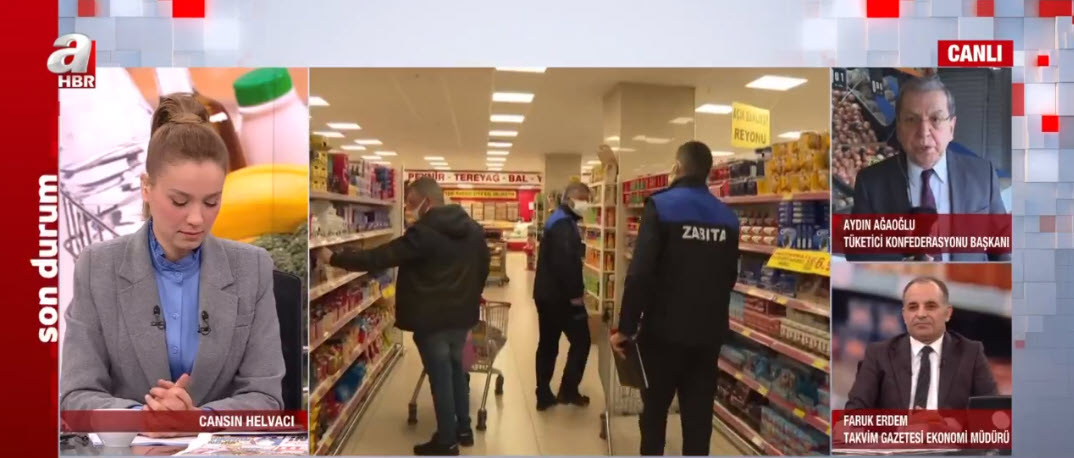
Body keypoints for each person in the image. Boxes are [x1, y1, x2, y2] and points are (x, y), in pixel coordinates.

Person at [60, 95, 285, 413]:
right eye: (179, 201)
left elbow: (266, 397)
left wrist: (200, 418)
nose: (197, 219)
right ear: (146, 188)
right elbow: (76, 396)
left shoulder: (252, 267)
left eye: (211, 202)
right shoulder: (96, 267)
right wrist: (143, 417)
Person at [315, 177, 489, 456]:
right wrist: (469, 297)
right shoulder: (473, 230)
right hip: (463, 318)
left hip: (432, 320)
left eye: (410, 203)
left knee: (440, 378)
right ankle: (464, 430)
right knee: (459, 372)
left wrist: (333, 258)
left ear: (427, 202)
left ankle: (447, 440)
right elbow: (483, 267)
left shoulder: (424, 233)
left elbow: (380, 257)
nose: (407, 209)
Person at [611, 141, 740, 456]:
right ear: (707, 172)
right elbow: (730, 277)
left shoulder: (661, 206)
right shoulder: (727, 217)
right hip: (707, 337)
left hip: (663, 335)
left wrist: (625, 328)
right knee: (698, 419)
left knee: (654, 413)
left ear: (678, 167)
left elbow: (640, 274)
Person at [850, 75, 1009, 262]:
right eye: (911, 119)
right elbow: (858, 254)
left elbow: (1002, 250)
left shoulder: (982, 175)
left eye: (936, 119)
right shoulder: (870, 183)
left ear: (951, 128)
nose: (924, 132)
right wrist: (903, 264)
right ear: (899, 129)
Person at [844, 276, 998, 410]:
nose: (921, 314)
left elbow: (992, 417)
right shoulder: (878, 354)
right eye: (913, 307)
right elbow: (854, 414)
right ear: (904, 315)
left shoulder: (971, 354)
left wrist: (951, 429)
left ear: (947, 313)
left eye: (931, 306)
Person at [532, 182, 593, 411]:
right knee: (582, 341)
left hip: (547, 294)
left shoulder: (558, 219)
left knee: (548, 343)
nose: (586, 204)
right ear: (570, 199)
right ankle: (567, 390)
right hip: (561, 298)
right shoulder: (563, 225)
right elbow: (566, 263)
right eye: (584, 199)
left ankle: (543, 394)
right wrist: (576, 295)